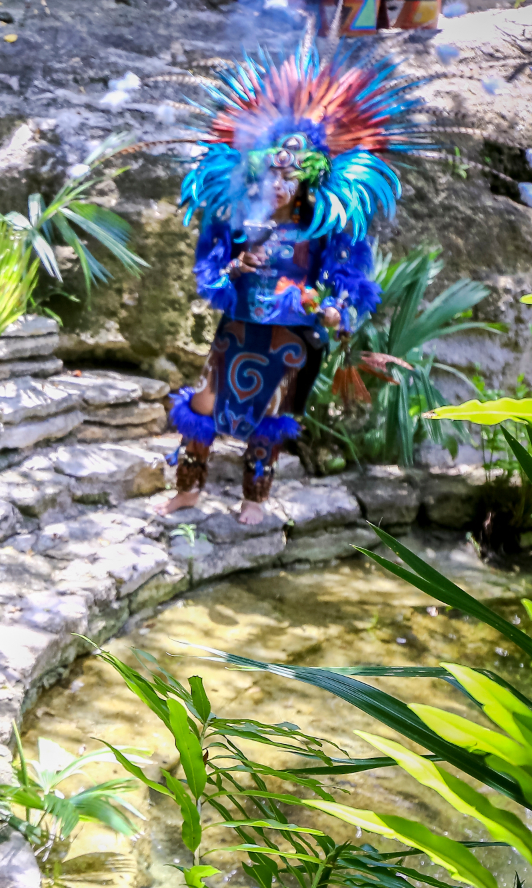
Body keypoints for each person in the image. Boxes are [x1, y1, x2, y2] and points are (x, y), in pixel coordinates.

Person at [160, 39, 437, 524]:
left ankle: (254, 497)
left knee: (269, 411)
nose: (278, 182)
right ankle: (188, 488)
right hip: (241, 322)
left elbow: (349, 281)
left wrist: (338, 310)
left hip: (294, 330)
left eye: (288, 176)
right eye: (271, 174)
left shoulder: (324, 230)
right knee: (203, 400)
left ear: (308, 181)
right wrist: (233, 271)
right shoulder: (239, 221)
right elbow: (212, 269)